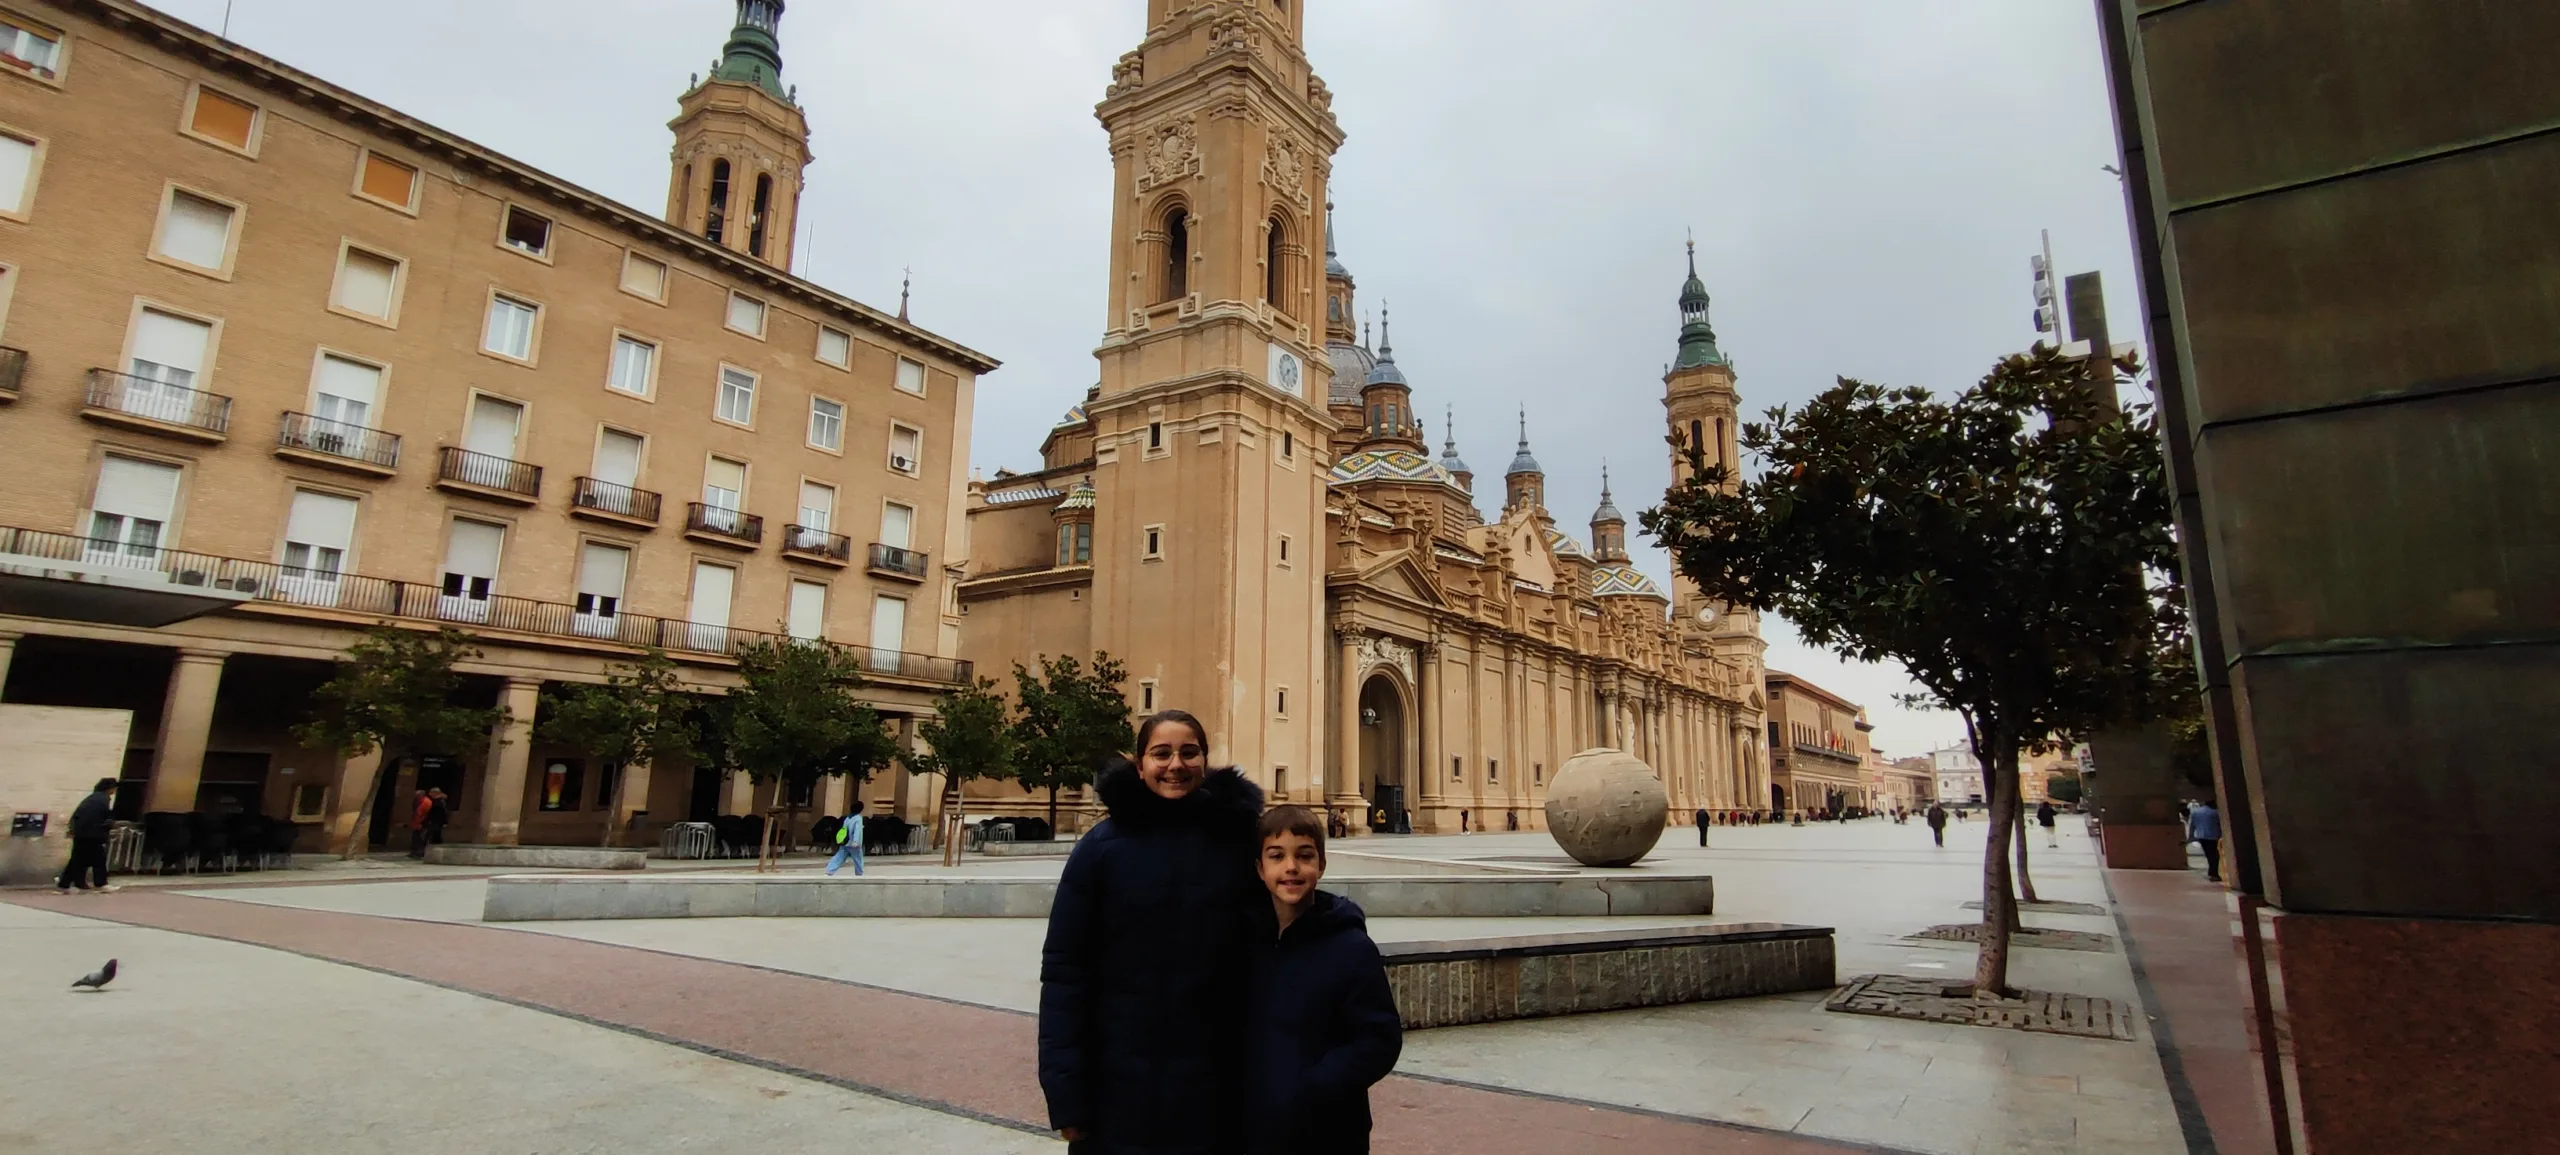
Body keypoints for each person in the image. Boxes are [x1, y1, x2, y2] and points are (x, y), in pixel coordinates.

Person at [1039, 709, 1264, 1154]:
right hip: (1118, 1092)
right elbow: (1065, 973)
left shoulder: (1239, 843)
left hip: (1217, 1088)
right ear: (1139, 765)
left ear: (1206, 760)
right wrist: (1067, 1095)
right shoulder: (1099, 849)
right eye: (1161, 754)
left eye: (1188, 752)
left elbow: (1278, 936)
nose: (1175, 765)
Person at [1245, 805, 1402, 1155]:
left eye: (1304, 856)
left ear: (1322, 864)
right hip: (1256, 1129)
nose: (1291, 868)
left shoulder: (1351, 948)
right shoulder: (1245, 945)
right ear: (1259, 868)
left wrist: (1310, 1088)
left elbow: (1380, 1040)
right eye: (1277, 856)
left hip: (1329, 1130)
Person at [55, 777, 119, 894]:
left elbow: (78, 816)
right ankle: (101, 884)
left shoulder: (92, 798)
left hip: (83, 834)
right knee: (97, 859)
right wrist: (108, 824)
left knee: (78, 860)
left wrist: (73, 830)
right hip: (91, 835)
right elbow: (100, 818)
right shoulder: (102, 800)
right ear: (110, 788)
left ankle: (65, 883)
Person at [826, 801, 867, 876]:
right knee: (858, 859)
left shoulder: (848, 818)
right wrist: (856, 841)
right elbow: (857, 830)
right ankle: (859, 873)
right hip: (854, 844)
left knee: (839, 857)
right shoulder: (858, 818)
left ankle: (830, 870)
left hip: (845, 842)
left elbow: (843, 830)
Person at [2188, 799, 2223, 883]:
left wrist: (2191, 836)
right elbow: (2220, 825)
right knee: (2214, 856)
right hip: (2213, 836)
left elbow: (2192, 825)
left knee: (2209, 855)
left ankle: (2212, 872)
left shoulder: (2196, 812)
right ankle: (2213, 874)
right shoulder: (2215, 813)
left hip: (2201, 836)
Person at [406, 789, 434, 859]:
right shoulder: (419, 801)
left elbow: (426, 815)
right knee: (415, 838)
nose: (415, 797)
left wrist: (422, 824)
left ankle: (419, 852)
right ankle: (414, 852)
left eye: (417, 795)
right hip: (417, 823)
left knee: (420, 839)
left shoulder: (426, 802)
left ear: (421, 795)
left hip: (422, 824)